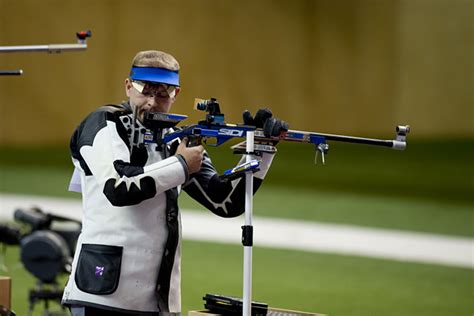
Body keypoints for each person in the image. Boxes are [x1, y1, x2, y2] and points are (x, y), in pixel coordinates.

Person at [61, 50, 287, 315]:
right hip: (102, 292)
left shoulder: (174, 137)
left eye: (162, 93)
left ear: (176, 94)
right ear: (128, 86)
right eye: (145, 89)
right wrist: (181, 165)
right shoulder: (103, 122)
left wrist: (260, 149)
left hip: (156, 298)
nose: (151, 101)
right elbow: (119, 187)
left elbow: (225, 201)